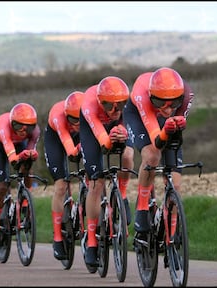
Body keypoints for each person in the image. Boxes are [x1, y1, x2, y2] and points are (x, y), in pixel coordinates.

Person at [123, 67, 194, 237]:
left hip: (165, 124)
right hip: (139, 116)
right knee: (152, 156)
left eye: (173, 104)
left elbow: (174, 133)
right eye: (161, 103)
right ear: (152, 97)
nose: (168, 109)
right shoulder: (142, 94)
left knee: (175, 184)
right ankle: (141, 207)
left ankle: (173, 229)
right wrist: (166, 130)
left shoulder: (186, 95)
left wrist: (174, 125)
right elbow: (157, 139)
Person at [79, 76, 135, 266]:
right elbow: (102, 140)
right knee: (96, 183)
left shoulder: (124, 106)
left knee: (127, 155)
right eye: (109, 106)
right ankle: (92, 240)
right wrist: (110, 139)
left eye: (119, 106)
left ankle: (123, 194)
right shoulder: (89, 104)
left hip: (115, 127)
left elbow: (128, 126)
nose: (114, 111)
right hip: (93, 130)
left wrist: (123, 133)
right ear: (100, 101)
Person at [0, 103, 41, 246]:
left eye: (28, 127)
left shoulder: (35, 132)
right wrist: (16, 160)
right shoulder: (4, 126)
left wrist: (28, 158)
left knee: (27, 169)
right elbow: (10, 153)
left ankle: (25, 200)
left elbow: (30, 151)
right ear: (12, 123)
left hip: (18, 144)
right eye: (18, 126)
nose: (23, 131)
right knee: (2, 186)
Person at [44, 91, 85, 260]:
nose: (76, 124)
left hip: (80, 137)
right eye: (73, 120)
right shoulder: (58, 116)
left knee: (94, 177)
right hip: (57, 139)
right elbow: (70, 149)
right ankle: (57, 237)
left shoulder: (85, 118)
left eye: (80, 121)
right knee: (61, 185)